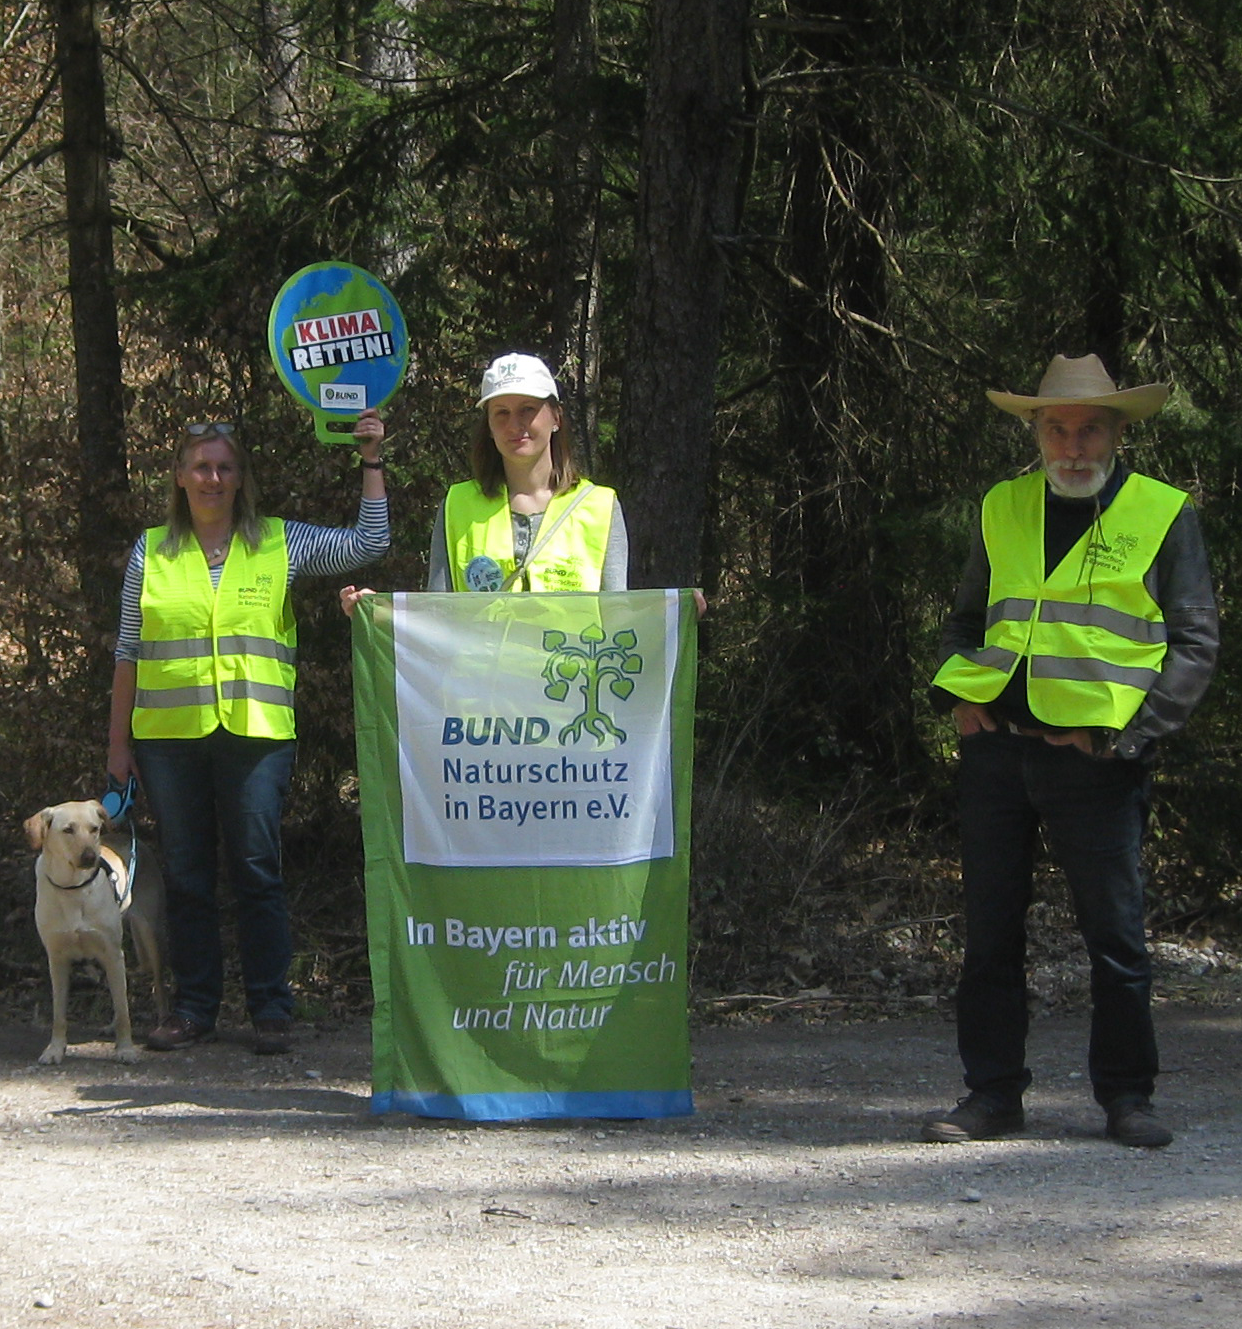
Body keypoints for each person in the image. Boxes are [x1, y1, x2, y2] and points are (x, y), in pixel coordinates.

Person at [923, 353, 1218, 1148]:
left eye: (1091, 428)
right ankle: (991, 1094)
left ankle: (1127, 1097)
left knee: (1115, 937)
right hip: (997, 756)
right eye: (1058, 428)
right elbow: (967, 620)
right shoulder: (1003, 505)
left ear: (1119, 432)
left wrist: (1129, 737)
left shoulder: (1161, 512)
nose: (1074, 444)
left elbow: (1196, 644)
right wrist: (958, 698)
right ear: (1036, 432)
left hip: (1098, 761)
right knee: (988, 934)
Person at [107, 411, 390, 1055]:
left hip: (256, 734)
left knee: (258, 869)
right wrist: (118, 748)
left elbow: (366, 544)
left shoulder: (277, 542)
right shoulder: (150, 550)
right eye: (201, 466)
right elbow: (128, 650)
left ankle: (270, 1008)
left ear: (240, 478)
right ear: (180, 477)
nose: (213, 477)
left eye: (225, 467)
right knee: (184, 874)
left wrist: (370, 461)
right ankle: (194, 1008)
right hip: (167, 738)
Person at [343, 353, 626, 613]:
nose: (515, 425)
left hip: (569, 669)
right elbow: (438, 616)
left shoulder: (600, 506)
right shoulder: (457, 505)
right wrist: (379, 613)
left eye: (527, 409)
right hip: (478, 670)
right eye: (501, 412)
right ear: (489, 426)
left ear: (556, 417)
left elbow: (620, 620)